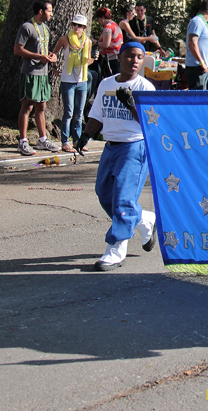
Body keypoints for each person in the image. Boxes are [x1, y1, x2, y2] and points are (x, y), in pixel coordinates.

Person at [75, 41, 158, 270]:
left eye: (139, 57)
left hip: (134, 146)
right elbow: (98, 115)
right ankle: (144, 220)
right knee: (105, 195)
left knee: (122, 199)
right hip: (111, 146)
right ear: (119, 58)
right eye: (130, 56)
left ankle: (115, 249)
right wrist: (86, 135)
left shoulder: (145, 87)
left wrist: (132, 103)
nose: (135, 61)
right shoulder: (106, 84)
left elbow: (151, 124)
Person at [13, 0, 60, 156]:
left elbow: (44, 50)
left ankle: (42, 139)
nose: (51, 14)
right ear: (41, 11)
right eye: (49, 11)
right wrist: (38, 57)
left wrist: (51, 58)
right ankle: (22, 141)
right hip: (30, 72)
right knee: (27, 106)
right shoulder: (27, 27)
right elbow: (18, 50)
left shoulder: (45, 28)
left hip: (43, 73)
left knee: (41, 107)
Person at [52, 14, 92, 153]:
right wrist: (54, 69)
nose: (76, 28)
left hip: (82, 80)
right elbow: (54, 54)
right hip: (67, 80)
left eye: (79, 26)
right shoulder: (65, 39)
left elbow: (88, 61)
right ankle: (65, 141)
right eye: (74, 24)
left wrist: (93, 59)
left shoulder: (87, 42)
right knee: (68, 112)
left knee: (79, 113)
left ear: (84, 28)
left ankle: (77, 141)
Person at [186, 0, 208, 90]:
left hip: (203, 66)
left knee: (202, 97)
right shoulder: (197, 22)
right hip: (197, 67)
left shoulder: (202, 23)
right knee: (197, 99)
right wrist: (202, 62)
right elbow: (192, 43)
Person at [95, 7, 123, 76]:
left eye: (98, 18)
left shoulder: (108, 27)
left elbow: (106, 44)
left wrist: (95, 42)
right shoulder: (115, 25)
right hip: (117, 57)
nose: (98, 21)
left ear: (102, 17)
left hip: (111, 58)